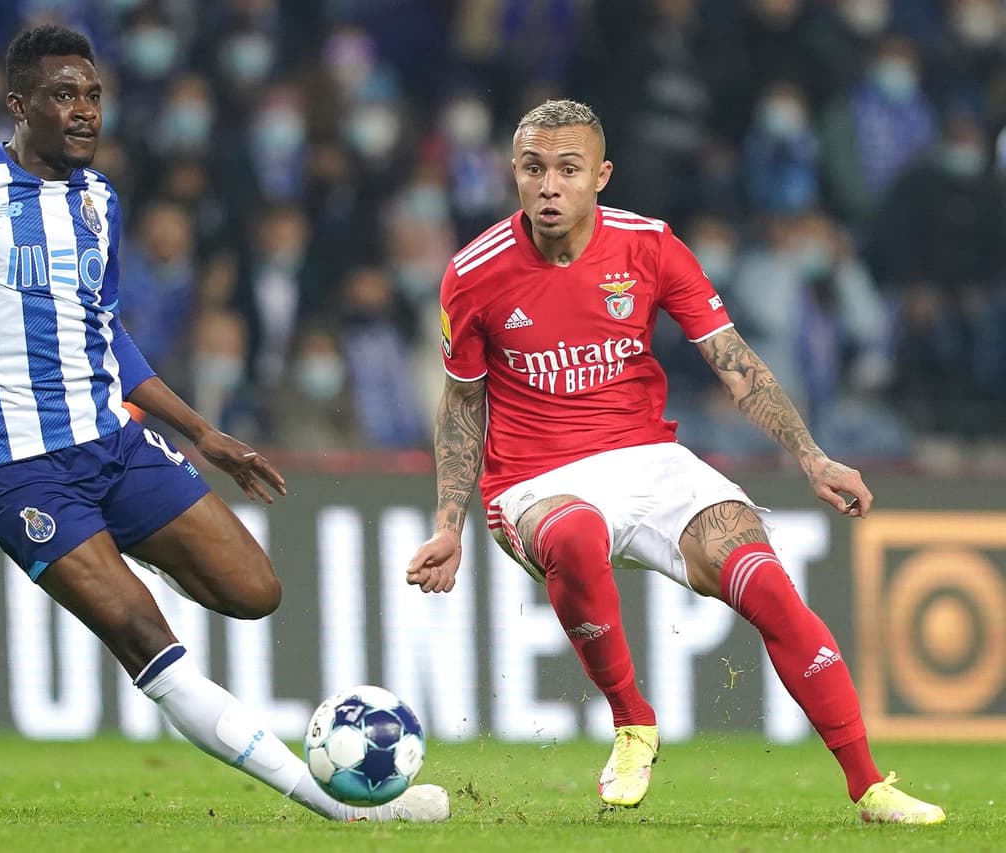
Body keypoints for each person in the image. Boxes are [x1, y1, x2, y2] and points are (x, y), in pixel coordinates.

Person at [0, 24, 447, 824]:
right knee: (142, 634)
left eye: (93, 94)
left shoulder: (101, 201)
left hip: (112, 442)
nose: (86, 111)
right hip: (16, 465)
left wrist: (203, 432)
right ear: (20, 106)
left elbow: (106, 331)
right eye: (65, 95)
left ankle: (123, 541)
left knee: (255, 590)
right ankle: (336, 808)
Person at [405, 99, 944, 825]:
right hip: (535, 480)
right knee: (575, 535)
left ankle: (870, 786)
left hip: (649, 459)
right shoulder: (474, 274)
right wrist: (448, 523)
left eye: (568, 169)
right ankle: (634, 720)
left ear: (602, 175)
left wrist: (811, 457)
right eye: (533, 169)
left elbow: (735, 364)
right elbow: (462, 406)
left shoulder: (651, 246)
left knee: (767, 583)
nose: (549, 186)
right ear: (515, 175)